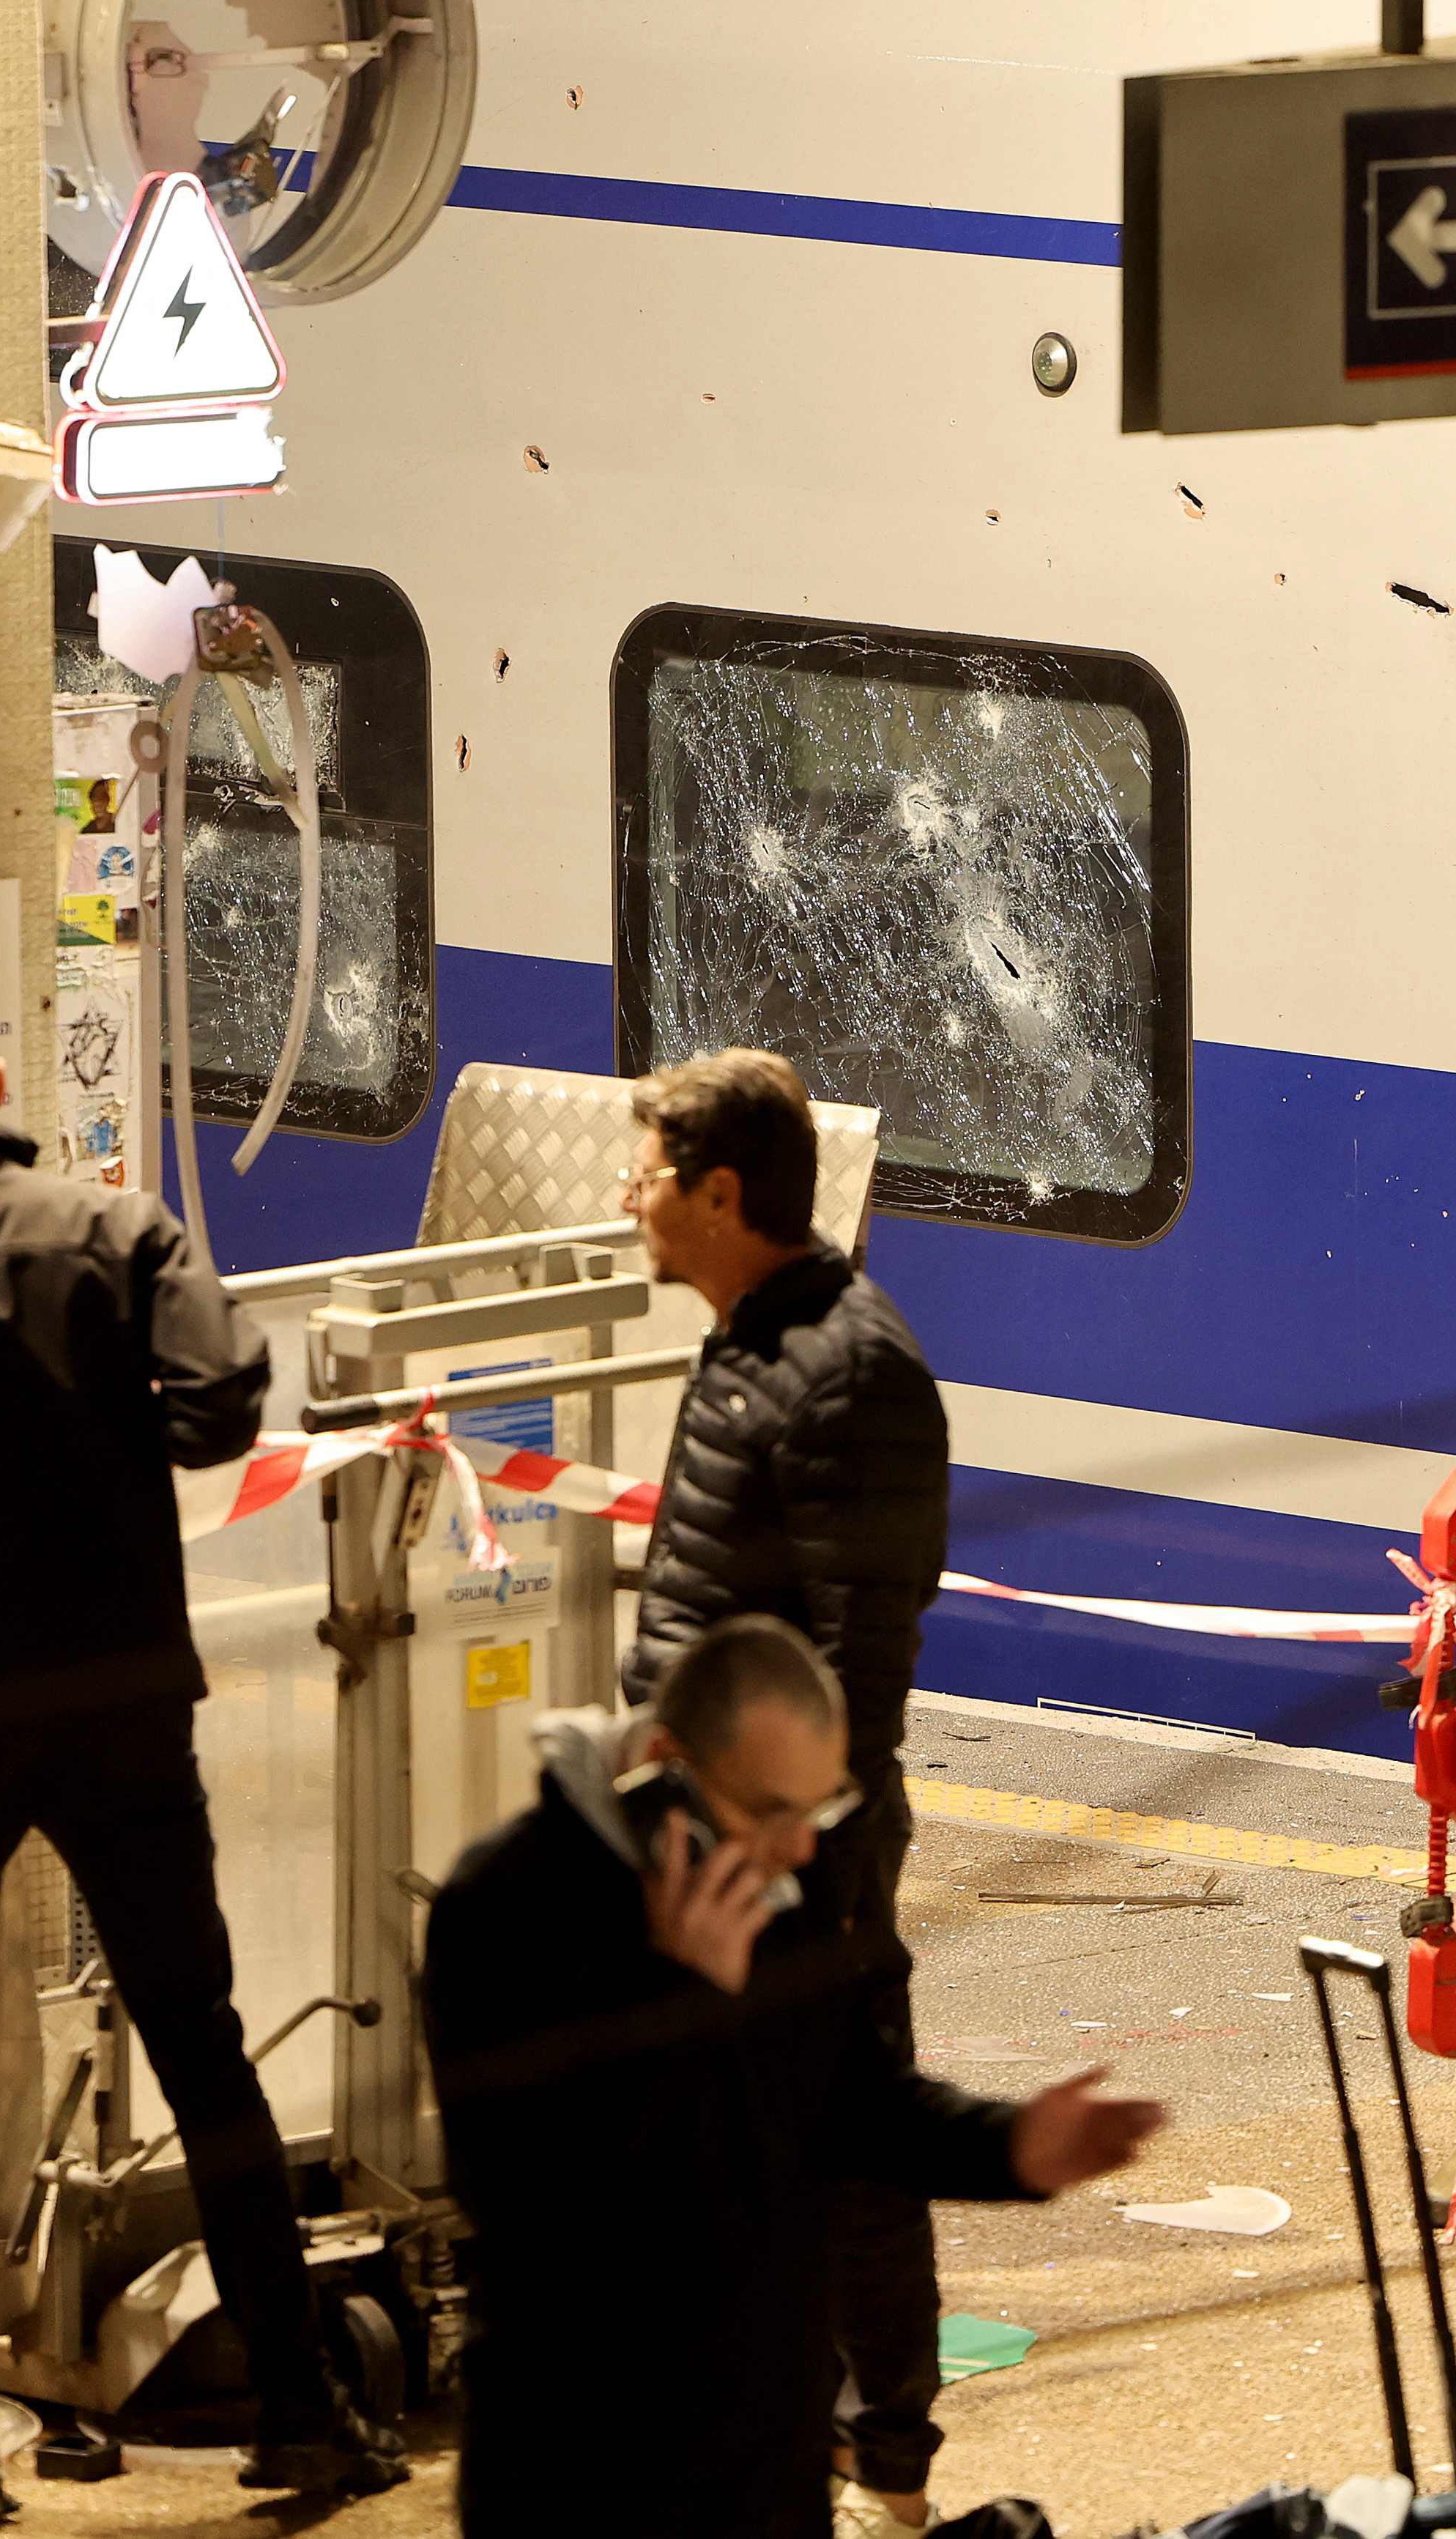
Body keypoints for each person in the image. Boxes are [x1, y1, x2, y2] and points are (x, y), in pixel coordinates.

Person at [0, 983, 399, 2525]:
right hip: (124, 1701)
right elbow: (222, 1405)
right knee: (200, 2032)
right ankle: (307, 2412)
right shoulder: (123, 1235)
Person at [425, 1618, 1160, 2538]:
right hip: (583, 2461)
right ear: (663, 1767)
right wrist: (680, 2001)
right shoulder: (508, 1906)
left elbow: (856, 2102)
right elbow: (525, 2194)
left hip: (764, 2454)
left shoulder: (777, 1883)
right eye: (773, 1811)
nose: (802, 1850)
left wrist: (1007, 2145)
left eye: (820, 1811)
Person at [615, 1048, 957, 2531]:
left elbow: (852, 1646)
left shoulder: (849, 1367)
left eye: (647, 1175)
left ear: (722, 1191)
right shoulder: (753, 1337)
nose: (629, 1200)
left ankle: (891, 2459)